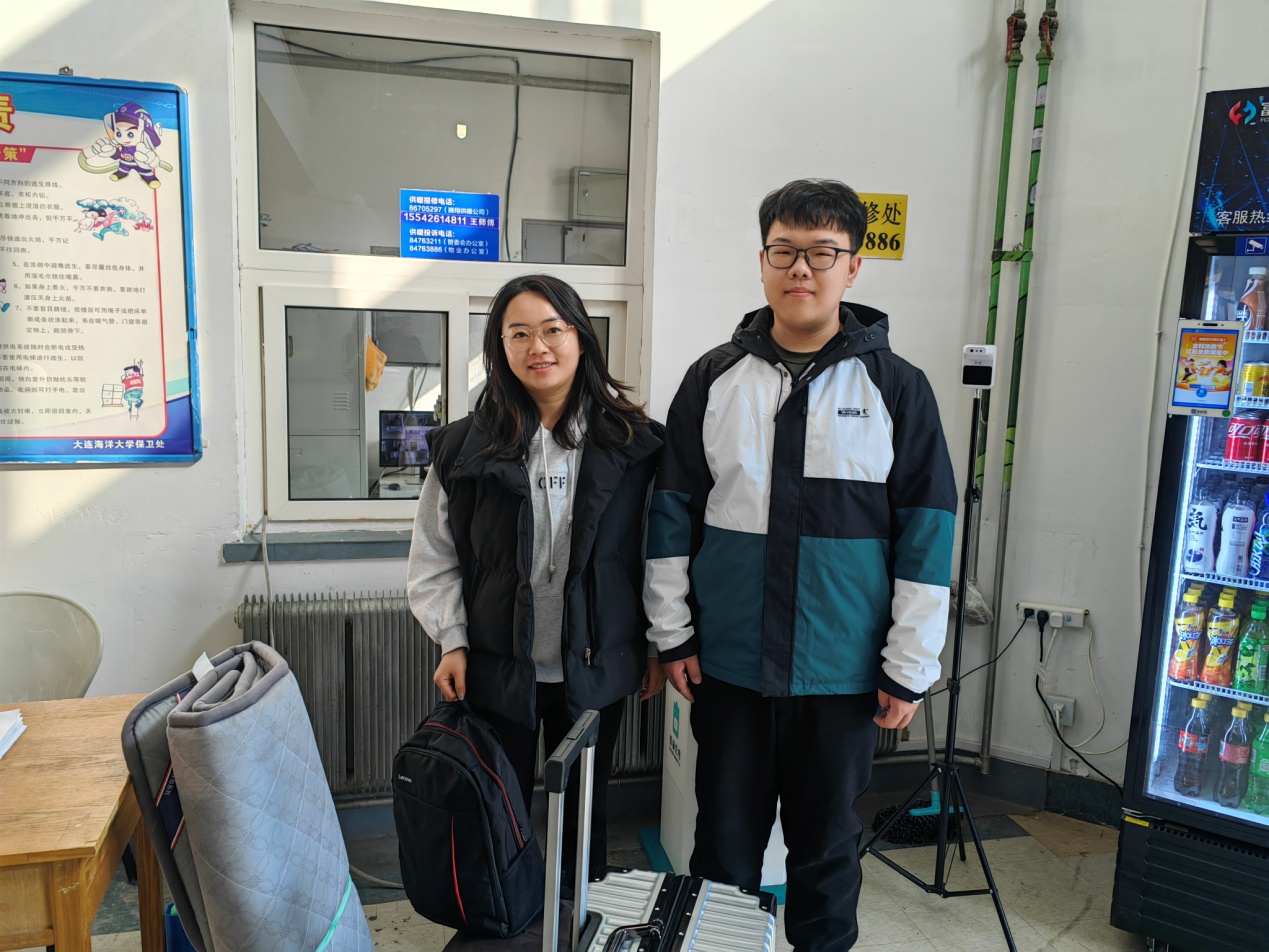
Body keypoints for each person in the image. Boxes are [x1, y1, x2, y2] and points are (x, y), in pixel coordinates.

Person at [643, 179, 956, 950]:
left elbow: (927, 535)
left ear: (852, 267)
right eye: (784, 251)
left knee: (826, 857)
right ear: (761, 262)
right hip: (730, 669)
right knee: (721, 856)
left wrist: (909, 665)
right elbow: (670, 514)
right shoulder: (712, 379)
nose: (800, 269)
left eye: (821, 252)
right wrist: (672, 635)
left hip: (841, 676)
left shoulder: (897, 389)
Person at [407, 273, 665, 881]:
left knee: (584, 815)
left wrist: (657, 646)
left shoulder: (636, 445)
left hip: (598, 667)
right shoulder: (463, 448)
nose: (537, 347)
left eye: (553, 329)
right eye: (518, 334)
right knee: (498, 817)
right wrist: (452, 640)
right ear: (499, 347)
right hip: (498, 667)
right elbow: (434, 555)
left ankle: (576, 916)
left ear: (581, 338)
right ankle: (506, 923)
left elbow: (657, 556)